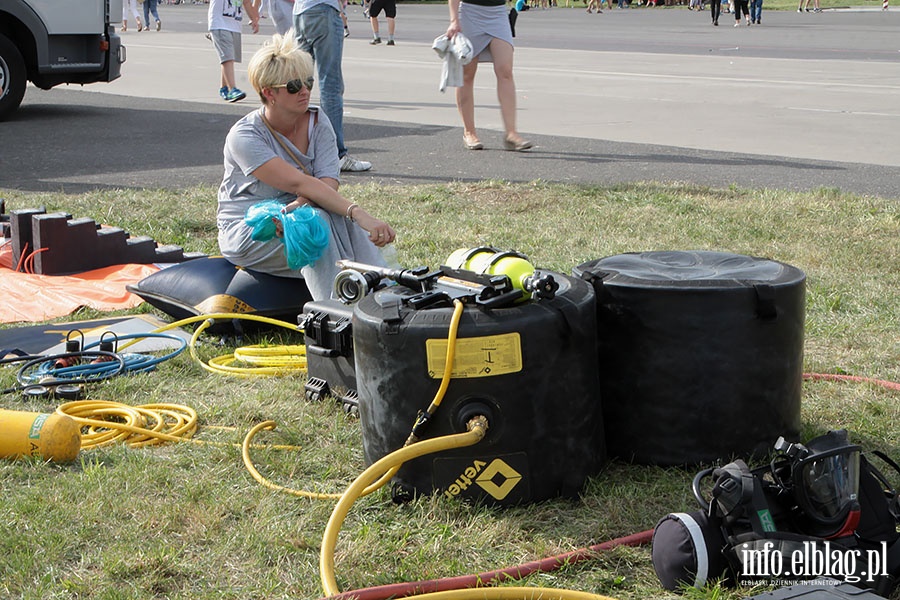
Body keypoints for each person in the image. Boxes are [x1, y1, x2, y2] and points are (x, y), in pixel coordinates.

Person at [217, 33, 395, 301]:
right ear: (269, 93)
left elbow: (328, 182)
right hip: (253, 228)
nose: (305, 90)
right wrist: (360, 214)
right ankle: (339, 312)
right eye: (293, 86)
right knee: (317, 221)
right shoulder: (244, 137)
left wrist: (302, 205)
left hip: (298, 212)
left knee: (329, 213)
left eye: (309, 82)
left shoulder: (318, 121)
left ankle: (386, 292)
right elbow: (299, 183)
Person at [294, 0, 373, 171]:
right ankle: (336, 155)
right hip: (324, 9)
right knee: (330, 85)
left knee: (299, 82)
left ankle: (293, 149)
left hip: (300, 12)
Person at [446, 0, 532, 152]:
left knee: (505, 70)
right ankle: (469, 132)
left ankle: (511, 133)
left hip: (497, 13)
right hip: (469, 13)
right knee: (467, 74)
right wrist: (454, 20)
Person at [208, 0, 260, 102]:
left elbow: (247, 3)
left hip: (234, 26)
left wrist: (254, 19)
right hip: (219, 24)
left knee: (230, 58)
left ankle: (224, 88)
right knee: (227, 58)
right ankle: (232, 89)